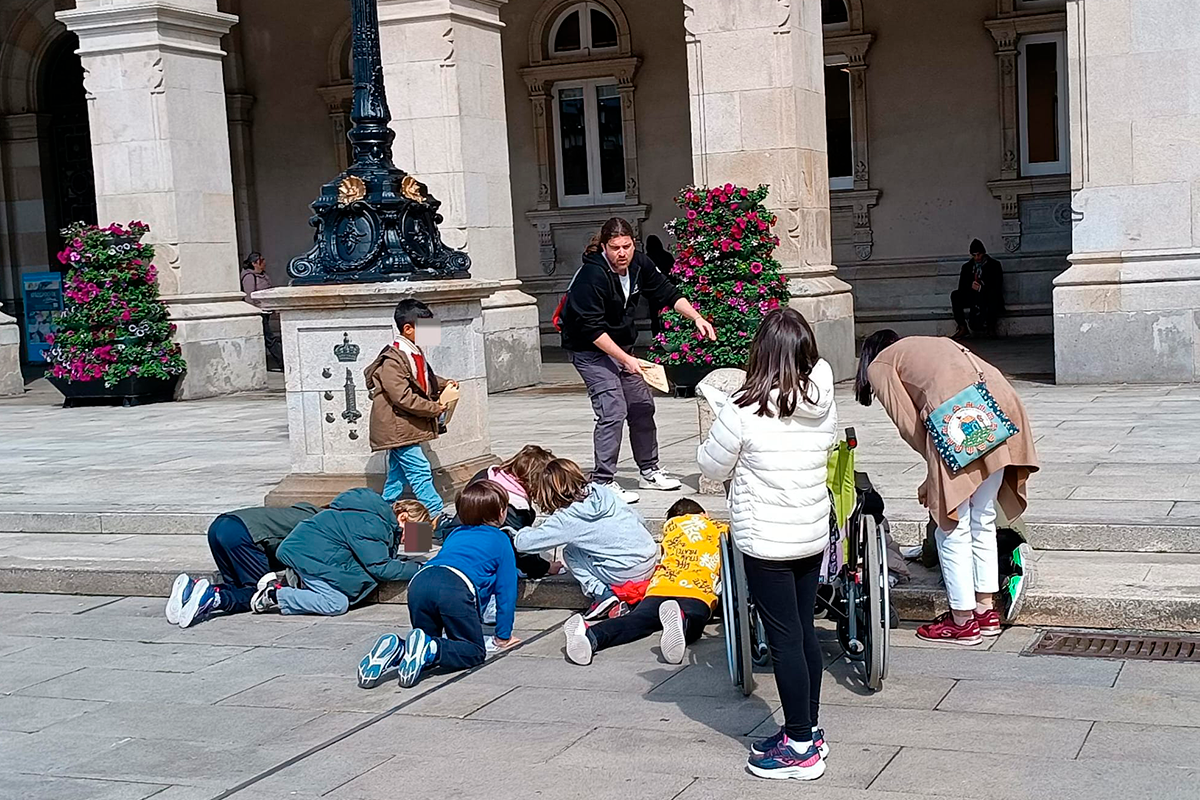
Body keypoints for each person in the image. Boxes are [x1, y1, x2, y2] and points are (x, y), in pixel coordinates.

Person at [697, 307, 837, 782]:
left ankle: (799, 747)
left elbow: (712, 466)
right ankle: (808, 728)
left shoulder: (743, 409)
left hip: (767, 541)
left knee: (784, 640)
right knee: (803, 631)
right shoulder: (823, 398)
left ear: (761, 353)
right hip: (810, 532)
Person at [855, 330, 1038, 645]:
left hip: (961, 414)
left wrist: (934, 471)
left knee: (951, 524)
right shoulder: (928, 344)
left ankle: (962, 621)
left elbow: (908, 423)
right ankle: (986, 612)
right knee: (983, 517)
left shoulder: (881, 364)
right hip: (1002, 406)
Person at [559, 217, 717, 504]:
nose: (622, 253)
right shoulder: (591, 276)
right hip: (589, 350)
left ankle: (649, 470)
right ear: (604, 247)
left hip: (621, 347)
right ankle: (603, 482)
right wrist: (626, 360)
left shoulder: (639, 264)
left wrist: (696, 317)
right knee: (613, 409)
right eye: (615, 247)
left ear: (634, 244)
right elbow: (592, 330)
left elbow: (667, 292)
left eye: (627, 246)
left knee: (642, 405)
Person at [363, 481, 520, 689]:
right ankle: (429, 648)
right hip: (455, 587)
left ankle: (398, 649)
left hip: (420, 582)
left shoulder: (455, 533)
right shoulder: (501, 540)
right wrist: (503, 636)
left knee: (422, 647)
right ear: (501, 512)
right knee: (472, 651)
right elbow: (506, 592)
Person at [562, 498, 725, 667]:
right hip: (696, 589)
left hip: (661, 587)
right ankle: (682, 622)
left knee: (636, 620)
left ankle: (589, 635)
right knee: (696, 616)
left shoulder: (671, 528)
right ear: (704, 514)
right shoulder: (717, 527)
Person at [514, 458, 658, 621]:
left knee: (570, 552)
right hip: (649, 557)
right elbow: (639, 519)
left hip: (625, 571)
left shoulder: (566, 518)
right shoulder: (602, 492)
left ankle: (602, 594)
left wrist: (516, 530)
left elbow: (524, 544)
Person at [253, 489, 425, 617]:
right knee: (336, 604)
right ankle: (274, 595)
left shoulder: (377, 519)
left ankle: (294, 584)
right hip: (305, 557)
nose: (410, 540)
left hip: (315, 555)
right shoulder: (372, 524)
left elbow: (380, 556)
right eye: (415, 532)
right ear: (403, 517)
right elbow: (380, 567)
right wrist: (421, 569)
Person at [365, 298, 456, 518]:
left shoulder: (413, 352)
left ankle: (385, 511)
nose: (431, 334)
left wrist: (444, 384)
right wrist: (435, 408)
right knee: (419, 470)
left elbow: (423, 379)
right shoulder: (393, 360)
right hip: (397, 426)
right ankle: (435, 514)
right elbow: (403, 396)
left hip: (404, 426)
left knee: (397, 475)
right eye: (427, 328)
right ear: (408, 329)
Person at [165, 501, 320, 628]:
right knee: (257, 592)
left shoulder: (307, 512)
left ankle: (191, 589)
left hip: (221, 525)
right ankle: (213, 598)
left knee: (236, 587)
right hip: (243, 534)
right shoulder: (321, 530)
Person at [437, 445, 563, 579]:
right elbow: (521, 549)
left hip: (453, 539)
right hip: (475, 563)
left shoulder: (486, 475)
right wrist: (545, 567)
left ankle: (433, 527)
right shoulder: (512, 508)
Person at [239, 251, 284, 371]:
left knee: (268, 338)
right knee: (270, 338)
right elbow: (249, 295)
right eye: (261, 260)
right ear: (254, 263)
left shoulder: (263, 275)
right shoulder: (249, 276)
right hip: (259, 312)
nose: (264, 262)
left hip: (266, 310)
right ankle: (282, 362)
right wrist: (255, 311)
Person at [951, 239, 1004, 339]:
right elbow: (962, 286)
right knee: (955, 295)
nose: (977, 258)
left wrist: (982, 287)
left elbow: (997, 285)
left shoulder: (994, 265)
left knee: (993, 296)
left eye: (979, 255)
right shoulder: (967, 267)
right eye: (974, 255)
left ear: (983, 253)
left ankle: (991, 327)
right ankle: (962, 327)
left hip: (987, 294)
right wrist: (971, 286)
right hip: (972, 295)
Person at [643, 234, 675, 337]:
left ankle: (657, 337)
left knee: (654, 316)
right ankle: (668, 335)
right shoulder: (667, 256)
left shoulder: (647, 258)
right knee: (668, 314)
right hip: (666, 288)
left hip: (652, 292)